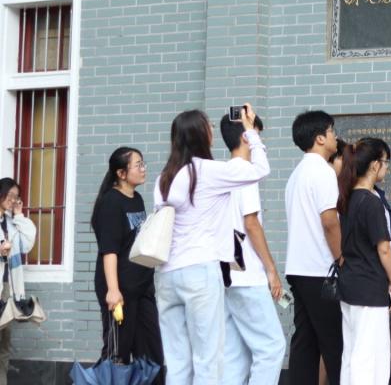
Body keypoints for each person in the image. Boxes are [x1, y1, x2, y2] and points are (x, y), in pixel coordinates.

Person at [154, 105, 270, 384]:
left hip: (166, 273)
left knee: (177, 362)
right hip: (200, 271)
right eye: (209, 128)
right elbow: (260, 169)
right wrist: (250, 131)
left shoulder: (164, 178)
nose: (213, 133)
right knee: (208, 359)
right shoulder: (209, 171)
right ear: (201, 135)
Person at [219, 115, 286, 385]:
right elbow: (252, 223)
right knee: (272, 347)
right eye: (256, 133)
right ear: (246, 137)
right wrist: (271, 270)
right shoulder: (245, 173)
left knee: (236, 354)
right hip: (247, 274)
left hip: (227, 273)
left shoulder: (222, 173)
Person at [91, 148, 164, 380]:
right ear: (121, 173)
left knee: (151, 355)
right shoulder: (111, 203)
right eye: (138, 165)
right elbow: (109, 251)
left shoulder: (137, 198)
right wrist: (113, 291)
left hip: (142, 288)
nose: (143, 169)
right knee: (117, 355)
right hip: (120, 292)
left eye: (143, 163)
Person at [284, 110, 342, 385]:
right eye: (332, 131)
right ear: (320, 138)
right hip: (321, 271)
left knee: (305, 343)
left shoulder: (296, 174)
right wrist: (342, 258)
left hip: (298, 269)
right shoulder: (323, 171)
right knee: (334, 343)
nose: (335, 137)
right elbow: (329, 222)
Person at [336, 137, 391, 385]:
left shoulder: (347, 197)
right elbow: (384, 249)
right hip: (370, 287)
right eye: (386, 162)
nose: (387, 168)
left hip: (350, 283)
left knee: (352, 352)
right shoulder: (372, 202)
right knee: (371, 354)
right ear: (374, 165)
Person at [0, 178, 36, 385]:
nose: (13, 200)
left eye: (16, 196)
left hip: (7, 288)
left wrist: (19, 215)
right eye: (9, 195)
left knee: (4, 344)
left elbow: (27, 243)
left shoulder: (11, 223)